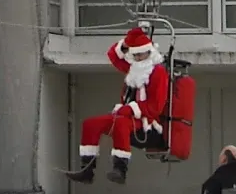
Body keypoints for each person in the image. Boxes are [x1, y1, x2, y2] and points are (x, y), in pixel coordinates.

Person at [68, 26, 170, 184]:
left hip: (146, 122)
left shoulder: (158, 73)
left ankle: (120, 169)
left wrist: (130, 109)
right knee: (90, 124)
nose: (137, 58)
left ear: (150, 53)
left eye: (140, 54)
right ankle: (87, 169)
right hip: (125, 114)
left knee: (121, 124)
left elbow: (156, 106)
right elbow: (114, 56)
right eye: (134, 55)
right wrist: (126, 43)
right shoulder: (134, 69)